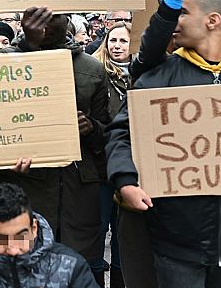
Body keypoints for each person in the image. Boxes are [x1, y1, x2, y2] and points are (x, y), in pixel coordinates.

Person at [106, 0, 221, 287]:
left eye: (182, 12)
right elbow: (122, 136)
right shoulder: (158, 78)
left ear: (213, 20)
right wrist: (125, 182)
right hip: (175, 244)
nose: (174, 20)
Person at [0, 7, 111, 281]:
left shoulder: (91, 69)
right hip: (27, 190)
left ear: (67, 19)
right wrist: (30, 47)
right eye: (37, 14)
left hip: (77, 195)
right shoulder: (2, 63)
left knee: (76, 273)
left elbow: (108, 134)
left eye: (54, 15)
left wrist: (91, 128)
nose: (45, 22)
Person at [0, 183, 98, 288]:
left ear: (34, 228)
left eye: (21, 237)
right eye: (2, 240)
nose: (13, 250)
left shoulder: (70, 265)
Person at [90, 21, 132, 288]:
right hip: (101, 165)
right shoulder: (96, 73)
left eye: (123, 41)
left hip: (131, 167)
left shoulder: (143, 73)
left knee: (124, 232)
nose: (117, 46)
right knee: (97, 228)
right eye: (113, 40)